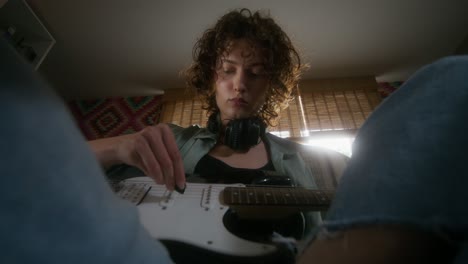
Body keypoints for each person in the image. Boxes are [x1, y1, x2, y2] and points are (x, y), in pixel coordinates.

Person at [88, 8, 348, 243]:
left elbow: (316, 243)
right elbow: (59, 161)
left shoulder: (297, 158)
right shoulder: (173, 138)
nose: (240, 84)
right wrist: (118, 148)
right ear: (211, 76)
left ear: (270, 86)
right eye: (227, 69)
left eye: (255, 73)